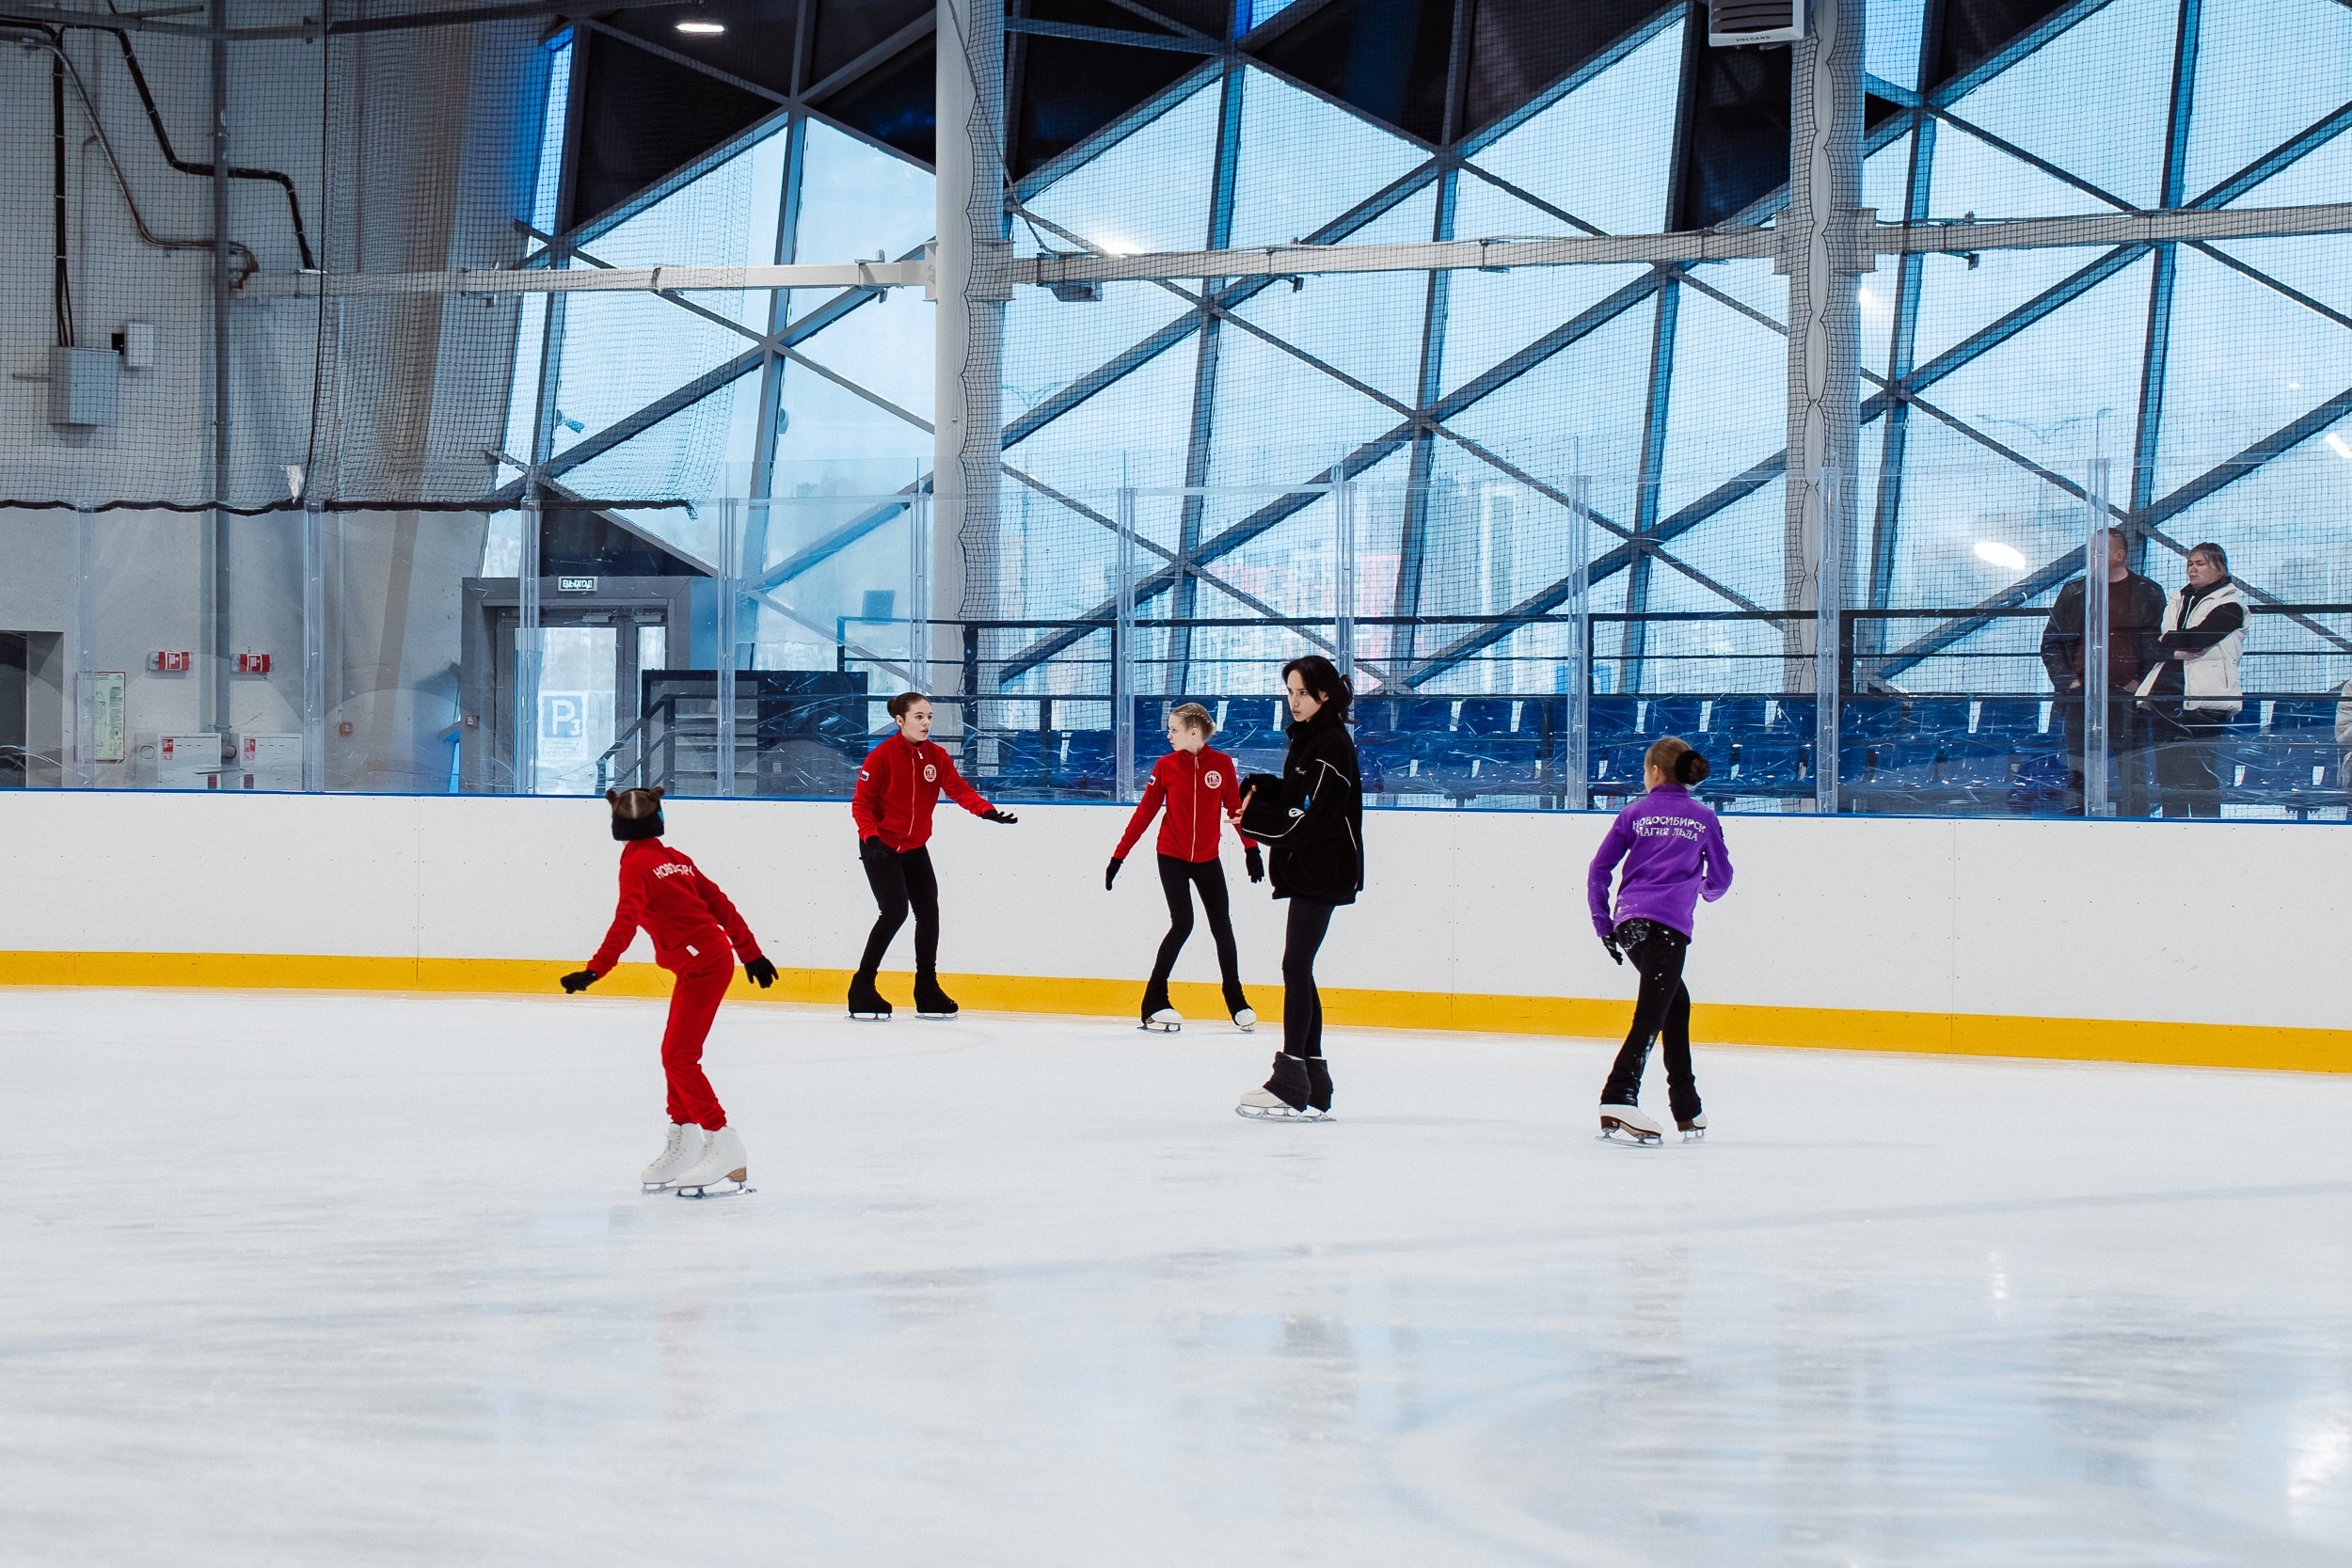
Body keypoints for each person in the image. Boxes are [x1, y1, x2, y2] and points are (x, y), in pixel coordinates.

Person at [561, 787, 777, 1195]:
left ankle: (721, 1139)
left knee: (679, 1056)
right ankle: (685, 1136)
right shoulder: (674, 859)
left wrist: (595, 970)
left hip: (704, 964)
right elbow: (722, 906)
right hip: (703, 960)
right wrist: (750, 954)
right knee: (674, 1054)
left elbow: (625, 922)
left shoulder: (639, 866)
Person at [1231, 656, 1361, 1120]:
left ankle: (1290, 1080)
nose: (1294, 702)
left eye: (1301, 693)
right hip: (1313, 867)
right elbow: (1295, 795)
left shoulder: (1329, 745)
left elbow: (1311, 819)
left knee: (1295, 966)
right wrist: (1260, 789)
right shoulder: (1310, 740)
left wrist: (1255, 819)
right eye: (1289, 693)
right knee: (1299, 968)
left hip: (1323, 869)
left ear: (1324, 694)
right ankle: (1315, 1082)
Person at [1584, 736, 1733, 1146]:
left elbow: (1599, 870)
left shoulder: (1633, 813)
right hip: (1668, 927)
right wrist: (1700, 889)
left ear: (1653, 772)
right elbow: (1721, 878)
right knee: (1651, 1014)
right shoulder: (1703, 817)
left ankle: (1686, 1105)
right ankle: (1618, 1096)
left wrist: (1603, 923)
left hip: (1629, 924)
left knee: (1675, 1005)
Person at [848, 692, 1018, 1020]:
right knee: (894, 912)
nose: (926, 723)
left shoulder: (936, 756)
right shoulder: (881, 757)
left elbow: (958, 788)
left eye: (929, 717)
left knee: (929, 912)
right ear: (900, 721)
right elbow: (861, 804)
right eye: (919, 717)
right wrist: (871, 838)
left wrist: (986, 811)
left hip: (913, 846)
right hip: (880, 846)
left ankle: (926, 989)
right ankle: (862, 987)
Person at [1107, 703, 1263, 1033]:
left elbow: (1235, 808)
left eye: (1174, 730)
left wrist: (1252, 849)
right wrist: (1118, 856)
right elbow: (1145, 814)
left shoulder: (1221, 765)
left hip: (1207, 858)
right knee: (1183, 924)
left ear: (1194, 732)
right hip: (1172, 856)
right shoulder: (1165, 766)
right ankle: (1153, 1002)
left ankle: (1236, 1001)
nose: (1168, 735)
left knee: (1222, 926)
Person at [2040, 530, 2165, 816]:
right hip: (2082, 697)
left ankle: (2136, 826)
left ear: (2120, 555)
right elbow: (2051, 643)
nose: (2092, 557)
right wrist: (2070, 684)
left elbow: (2159, 646)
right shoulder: (2075, 592)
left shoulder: (2147, 592)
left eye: (2099, 551)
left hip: (2127, 698)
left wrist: (2139, 683)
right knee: (2078, 770)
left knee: (2132, 770)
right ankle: (2077, 825)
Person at [2135, 542, 2246, 818]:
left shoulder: (2231, 605)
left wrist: (2166, 642)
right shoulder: (2176, 601)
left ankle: (2206, 831)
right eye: (2190, 564)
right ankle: (2174, 827)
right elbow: (2148, 646)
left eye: (2201, 563)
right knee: (2168, 774)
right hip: (2165, 696)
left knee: (2199, 773)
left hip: (2205, 701)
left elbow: (2199, 639)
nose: (2193, 569)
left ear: (2219, 567)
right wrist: (2170, 646)